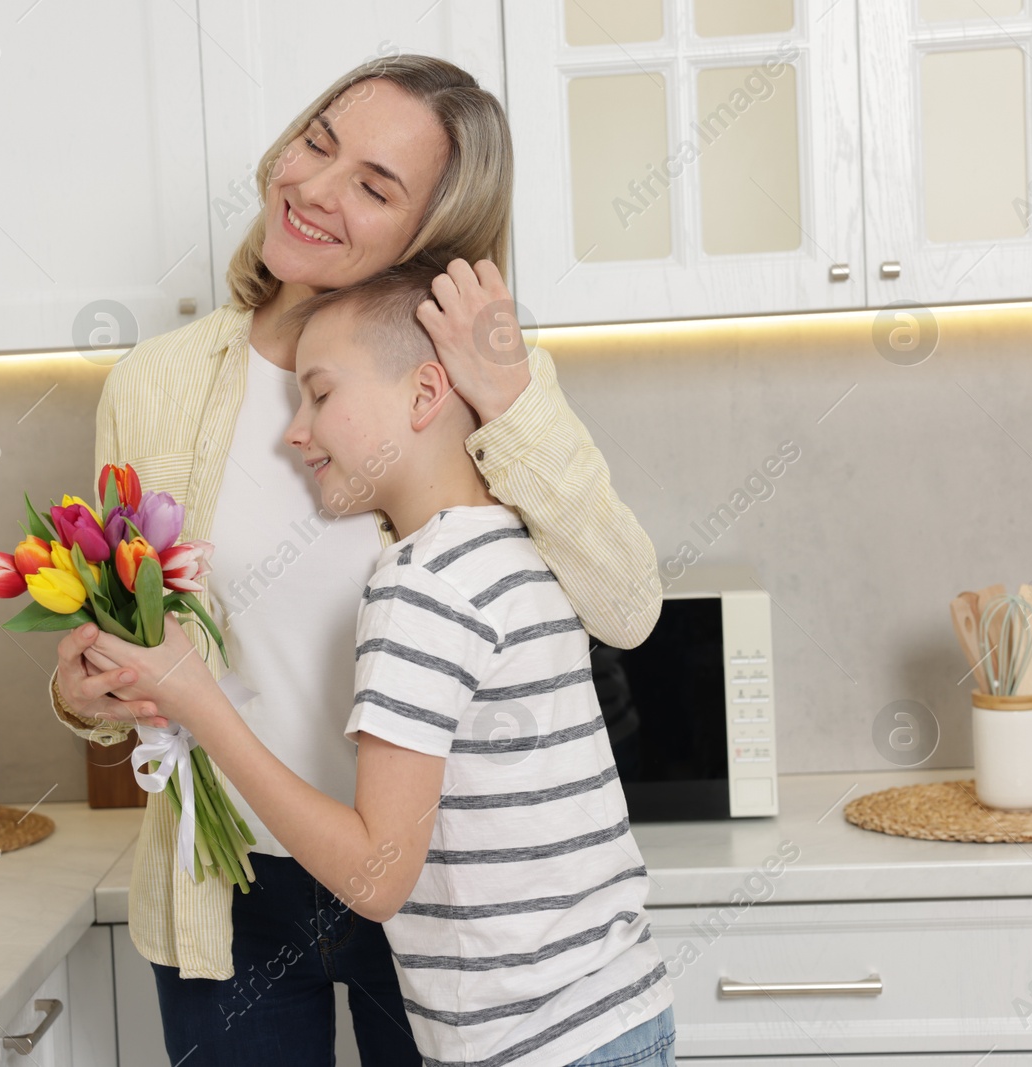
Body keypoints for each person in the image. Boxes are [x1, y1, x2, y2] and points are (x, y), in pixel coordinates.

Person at [47, 54, 664, 1066]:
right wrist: (85, 687)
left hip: (429, 896)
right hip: (227, 880)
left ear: (429, 235)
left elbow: (627, 604)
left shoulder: (475, 375)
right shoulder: (152, 384)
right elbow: (127, 638)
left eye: (375, 186)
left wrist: (511, 400)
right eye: (318, 143)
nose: (315, 188)